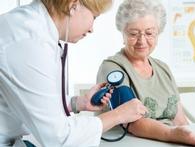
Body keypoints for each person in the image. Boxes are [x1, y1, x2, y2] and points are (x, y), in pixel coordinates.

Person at [0, 0, 148, 146]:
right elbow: (59, 137)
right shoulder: (29, 42)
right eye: (94, 17)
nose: (91, 29)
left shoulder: (33, 28)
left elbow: (30, 97)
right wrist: (118, 115)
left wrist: (76, 103)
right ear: (73, 5)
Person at [97, 0, 195, 146]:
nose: (142, 40)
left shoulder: (163, 68)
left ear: (158, 33)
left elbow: (179, 120)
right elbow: (133, 122)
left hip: (171, 141)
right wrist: (174, 134)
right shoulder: (112, 68)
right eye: (133, 33)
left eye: (149, 33)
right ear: (123, 33)